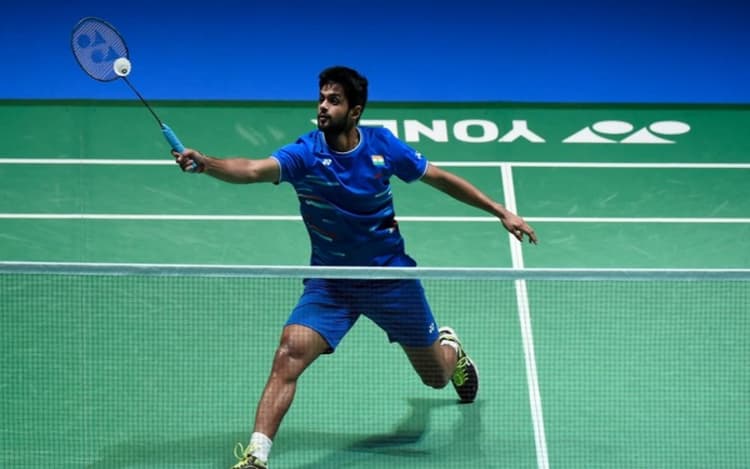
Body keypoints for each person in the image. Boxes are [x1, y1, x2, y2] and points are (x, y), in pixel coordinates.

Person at [173, 66, 537, 469]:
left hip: (390, 279)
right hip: (332, 284)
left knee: (435, 376)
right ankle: (257, 455)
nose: (323, 107)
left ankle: (451, 347)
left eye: (334, 101)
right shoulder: (305, 154)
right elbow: (253, 169)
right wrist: (207, 163)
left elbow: (438, 178)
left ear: (355, 111)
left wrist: (499, 211)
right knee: (289, 353)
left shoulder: (383, 146)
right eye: (321, 99)